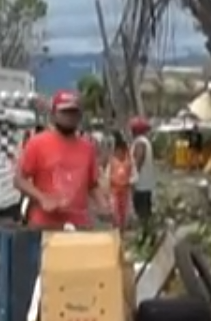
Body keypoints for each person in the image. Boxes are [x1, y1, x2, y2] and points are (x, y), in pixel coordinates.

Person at [14, 90, 101, 229]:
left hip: (79, 225)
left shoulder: (88, 148)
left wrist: (104, 206)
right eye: (65, 112)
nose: (69, 117)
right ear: (53, 114)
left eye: (73, 112)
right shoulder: (37, 143)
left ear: (79, 116)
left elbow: (92, 185)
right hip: (44, 224)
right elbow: (19, 180)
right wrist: (42, 198)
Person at [128, 116, 156, 223]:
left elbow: (139, 160)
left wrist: (133, 178)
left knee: (142, 211)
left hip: (141, 184)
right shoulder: (145, 141)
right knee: (145, 211)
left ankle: (145, 231)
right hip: (146, 183)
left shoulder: (140, 142)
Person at [106, 132, 134, 231]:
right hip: (114, 192)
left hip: (125, 192)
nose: (120, 153)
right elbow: (107, 176)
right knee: (115, 211)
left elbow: (134, 176)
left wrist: (129, 182)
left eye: (122, 151)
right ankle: (116, 229)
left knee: (124, 212)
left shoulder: (129, 162)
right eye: (118, 151)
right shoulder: (112, 161)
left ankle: (123, 230)